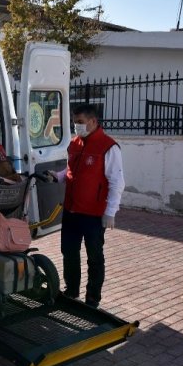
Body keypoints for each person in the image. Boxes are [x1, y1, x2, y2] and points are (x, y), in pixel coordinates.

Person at [49, 104, 125, 308]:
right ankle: (71, 290)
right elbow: (70, 172)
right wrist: (58, 177)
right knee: (69, 252)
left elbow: (117, 182)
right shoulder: (74, 144)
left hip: (93, 214)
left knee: (94, 257)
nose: (77, 127)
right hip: (72, 210)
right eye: (74, 123)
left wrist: (110, 212)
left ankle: (92, 298)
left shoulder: (108, 147)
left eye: (80, 123)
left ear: (93, 121)